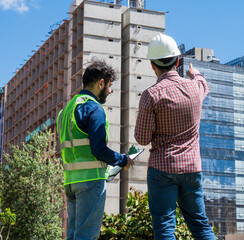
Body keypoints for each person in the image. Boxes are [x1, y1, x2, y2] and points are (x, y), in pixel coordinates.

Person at [134, 34, 216, 239]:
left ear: (152, 65)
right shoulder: (196, 88)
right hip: (192, 168)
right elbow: (203, 83)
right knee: (200, 224)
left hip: (162, 168)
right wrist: (195, 73)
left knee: (164, 227)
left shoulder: (151, 95)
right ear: (177, 61)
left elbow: (142, 139)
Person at [57, 60, 134, 240]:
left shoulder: (67, 109)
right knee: (86, 236)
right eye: (109, 85)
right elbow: (98, 149)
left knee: (74, 236)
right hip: (90, 181)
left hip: (70, 182)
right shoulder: (94, 108)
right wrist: (123, 160)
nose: (110, 90)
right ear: (101, 83)